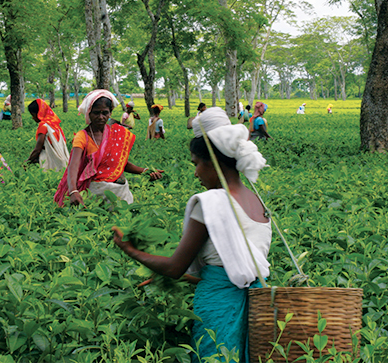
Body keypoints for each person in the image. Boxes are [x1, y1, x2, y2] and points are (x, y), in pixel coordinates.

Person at [112, 107, 270, 363]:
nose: (195, 173)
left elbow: (175, 266)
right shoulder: (257, 201)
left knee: (213, 355)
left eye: (196, 164)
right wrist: (185, 278)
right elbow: (235, 274)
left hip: (217, 308)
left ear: (213, 162)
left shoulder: (210, 203)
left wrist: (129, 249)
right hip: (255, 308)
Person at [54, 90, 163, 206]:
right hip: (97, 193)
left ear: (110, 113)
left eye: (105, 113)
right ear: (88, 113)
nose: (101, 117)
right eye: (96, 113)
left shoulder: (115, 132)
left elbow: (119, 163)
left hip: (121, 191)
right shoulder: (83, 136)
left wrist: (146, 171)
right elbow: (73, 165)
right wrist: (73, 191)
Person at [26, 98, 69, 170]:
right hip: (62, 162)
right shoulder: (54, 124)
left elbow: (37, 150)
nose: (33, 118)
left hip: (50, 163)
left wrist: (26, 163)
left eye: (33, 115)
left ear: (39, 112)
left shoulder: (43, 126)